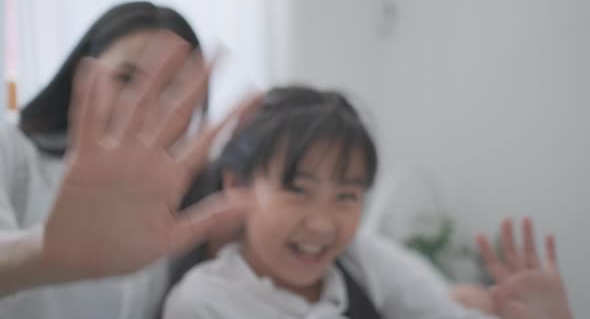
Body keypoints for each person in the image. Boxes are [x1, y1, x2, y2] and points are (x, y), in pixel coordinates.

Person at [163, 87, 573, 319]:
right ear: (237, 185)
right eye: (299, 191)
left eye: (346, 196)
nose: (322, 224)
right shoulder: (205, 302)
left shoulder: (364, 261)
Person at [0, 1, 254, 319]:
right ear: (82, 72)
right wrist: (45, 256)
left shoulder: (195, 188)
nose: (146, 102)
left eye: (175, 90)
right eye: (126, 77)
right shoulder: (11, 149)